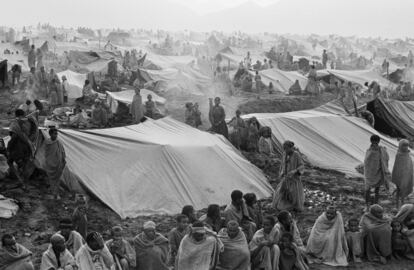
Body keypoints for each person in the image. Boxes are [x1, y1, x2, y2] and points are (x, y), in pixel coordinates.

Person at [272, 141, 305, 212]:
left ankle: (293, 206)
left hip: (293, 179)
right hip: (285, 177)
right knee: (281, 191)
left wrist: (295, 171)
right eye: (284, 149)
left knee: (293, 193)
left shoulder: (296, 155)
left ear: (291, 148)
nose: (285, 150)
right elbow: (282, 164)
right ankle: (281, 205)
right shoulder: (284, 154)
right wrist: (281, 172)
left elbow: (301, 165)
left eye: (286, 148)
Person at [364, 135, 390, 208]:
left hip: (378, 171)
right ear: (371, 141)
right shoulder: (369, 151)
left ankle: (375, 205)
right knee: (367, 190)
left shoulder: (381, 150)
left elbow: (386, 159)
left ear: (378, 142)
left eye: (376, 142)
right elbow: (366, 162)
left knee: (377, 190)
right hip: (369, 173)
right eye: (374, 142)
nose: (375, 144)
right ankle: (367, 205)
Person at [44, 128, 66, 199]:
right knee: (52, 180)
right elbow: (47, 154)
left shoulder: (58, 142)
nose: (56, 135)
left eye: (56, 134)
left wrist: (63, 160)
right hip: (50, 164)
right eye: (54, 134)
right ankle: (54, 193)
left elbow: (62, 152)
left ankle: (56, 194)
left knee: (57, 180)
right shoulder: (47, 142)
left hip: (58, 164)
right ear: (50, 134)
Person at [392, 139, 413, 208]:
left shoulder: (408, 156)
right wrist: (396, 175)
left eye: (407, 146)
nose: (406, 147)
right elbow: (396, 167)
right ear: (400, 146)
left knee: (404, 189)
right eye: (404, 145)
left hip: (406, 176)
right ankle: (397, 204)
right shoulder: (398, 155)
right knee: (398, 189)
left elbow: (410, 167)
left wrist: (409, 175)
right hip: (399, 175)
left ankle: (402, 203)